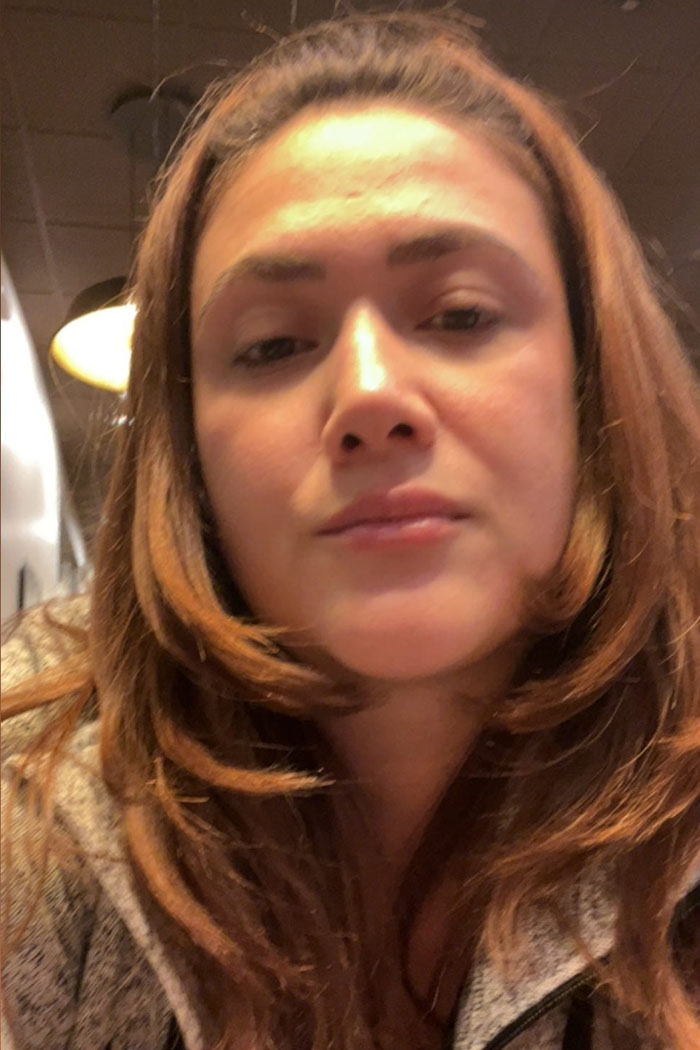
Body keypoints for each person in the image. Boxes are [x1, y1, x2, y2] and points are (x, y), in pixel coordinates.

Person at [2, 9, 699, 1050]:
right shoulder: (35, 791)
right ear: (189, 454)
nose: (370, 395)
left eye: (461, 315)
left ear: (591, 383)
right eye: (273, 344)